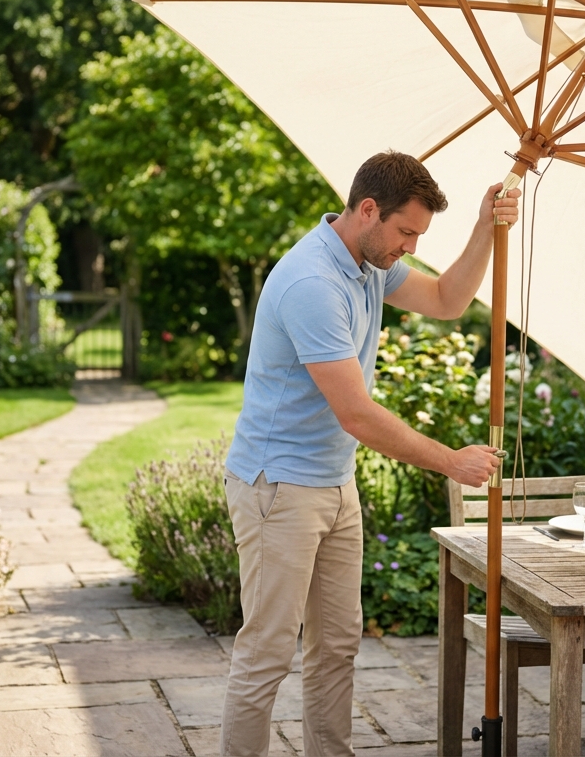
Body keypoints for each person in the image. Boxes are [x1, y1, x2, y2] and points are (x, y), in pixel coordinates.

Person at [220, 150, 520, 757]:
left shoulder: (368, 264)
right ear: (367, 210)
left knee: (336, 645)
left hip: (334, 485)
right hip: (278, 489)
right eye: (406, 231)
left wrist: (487, 227)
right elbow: (355, 413)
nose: (409, 245)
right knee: (268, 652)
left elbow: (447, 300)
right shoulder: (312, 282)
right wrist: (450, 461)